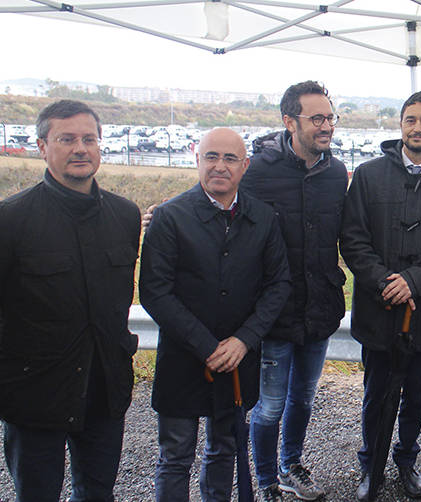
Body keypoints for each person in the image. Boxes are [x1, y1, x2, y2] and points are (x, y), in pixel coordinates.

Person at [0, 99, 141, 501]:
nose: (80, 148)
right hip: (34, 393)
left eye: (89, 139)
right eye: (67, 139)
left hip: (104, 388)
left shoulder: (124, 216)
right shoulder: (11, 220)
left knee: (97, 493)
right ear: (43, 147)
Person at [140, 128, 291, 501]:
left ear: (245, 166)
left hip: (238, 358)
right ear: (197, 159)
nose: (219, 167)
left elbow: (278, 285)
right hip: (182, 358)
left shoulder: (263, 218)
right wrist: (207, 346)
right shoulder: (170, 217)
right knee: (175, 457)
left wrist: (244, 340)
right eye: (211, 157)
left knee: (225, 450)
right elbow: (155, 293)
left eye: (229, 159)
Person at [340, 90, 421, 501]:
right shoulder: (368, 175)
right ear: (400, 124)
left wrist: (414, 281)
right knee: (376, 393)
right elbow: (353, 239)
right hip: (377, 309)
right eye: (411, 119)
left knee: (415, 395)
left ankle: (406, 459)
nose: (418, 127)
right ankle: (370, 465)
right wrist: (385, 282)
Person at [244, 81, 349, 502]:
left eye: (330, 118)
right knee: (269, 406)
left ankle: (291, 466)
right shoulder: (258, 171)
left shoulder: (336, 172)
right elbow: (219, 201)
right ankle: (266, 480)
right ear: (290, 122)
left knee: (302, 399)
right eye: (317, 119)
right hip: (274, 311)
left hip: (320, 307)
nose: (326, 126)